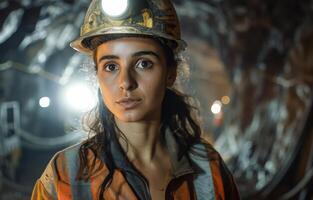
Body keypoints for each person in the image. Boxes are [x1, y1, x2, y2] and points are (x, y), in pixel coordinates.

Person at [31, 0, 240, 199]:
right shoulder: (65, 174)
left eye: (143, 64)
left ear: (170, 73)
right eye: (111, 66)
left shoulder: (207, 167)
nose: (126, 82)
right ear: (97, 76)